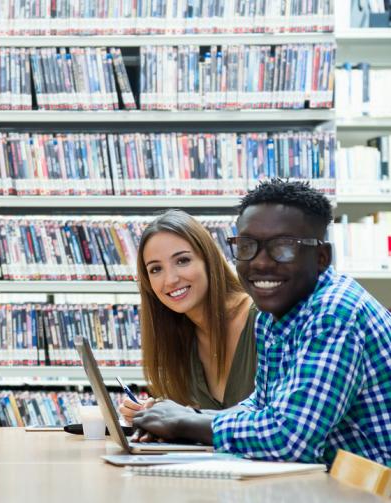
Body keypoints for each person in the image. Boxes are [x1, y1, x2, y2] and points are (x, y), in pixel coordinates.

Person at [133, 179, 391, 466]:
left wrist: (183, 424)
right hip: (327, 484)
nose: (260, 263)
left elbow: (288, 438)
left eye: (282, 247)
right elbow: (262, 408)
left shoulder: (334, 313)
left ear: (321, 257)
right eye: (247, 246)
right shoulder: (274, 315)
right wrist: (183, 417)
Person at [118, 210, 257, 424]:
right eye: (155, 269)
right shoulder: (180, 339)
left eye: (182, 261)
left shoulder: (260, 319)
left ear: (208, 259)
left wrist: (185, 419)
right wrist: (158, 412)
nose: (170, 280)